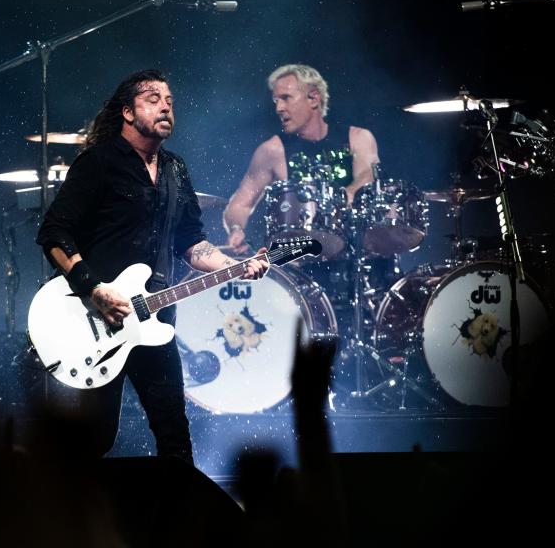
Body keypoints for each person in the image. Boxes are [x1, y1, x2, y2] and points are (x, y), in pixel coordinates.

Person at [35, 69, 268, 464]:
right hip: (96, 321)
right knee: (94, 439)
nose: (165, 106)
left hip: (154, 319)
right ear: (127, 112)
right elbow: (54, 233)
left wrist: (235, 265)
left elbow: (192, 244)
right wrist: (94, 289)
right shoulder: (100, 162)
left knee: (175, 440)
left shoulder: (176, 169)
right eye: (153, 99)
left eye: (170, 101)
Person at [223, 64, 380, 255]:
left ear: (313, 98)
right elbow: (240, 203)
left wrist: (340, 198)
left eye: (286, 98)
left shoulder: (358, 138)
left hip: (356, 255)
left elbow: (368, 174)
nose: (279, 108)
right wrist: (236, 229)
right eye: (276, 101)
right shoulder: (272, 150)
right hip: (299, 261)